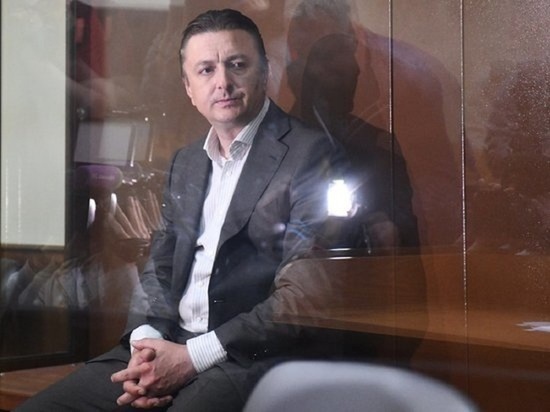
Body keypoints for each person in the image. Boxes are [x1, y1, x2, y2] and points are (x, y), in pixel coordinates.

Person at [16, 8, 348, 412]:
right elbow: (160, 267)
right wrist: (145, 345)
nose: (222, 82)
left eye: (237, 65)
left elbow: (304, 298)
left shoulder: (310, 154)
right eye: (206, 70)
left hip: (245, 357)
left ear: (265, 72)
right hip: (168, 343)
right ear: (188, 87)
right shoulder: (186, 162)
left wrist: (192, 357)